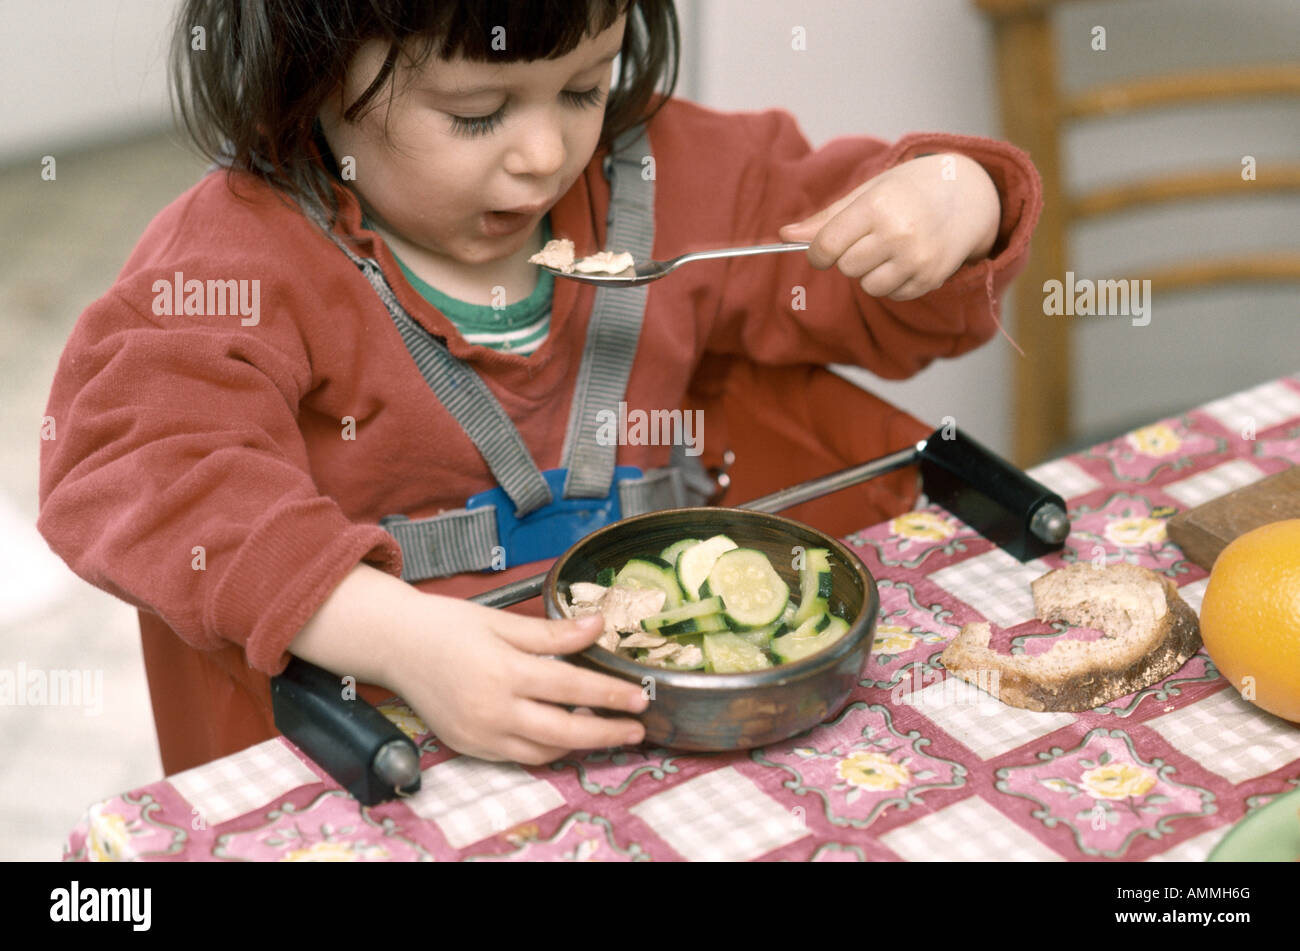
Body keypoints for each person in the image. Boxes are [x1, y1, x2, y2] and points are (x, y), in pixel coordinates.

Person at [37, 0, 1042, 774]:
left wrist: (957, 198)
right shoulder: (243, 258)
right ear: (313, 75)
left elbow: (882, 292)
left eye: (582, 88)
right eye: (476, 115)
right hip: (394, 750)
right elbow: (131, 462)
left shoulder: (672, 177)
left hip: (674, 735)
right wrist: (391, 633)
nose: (546, 154)